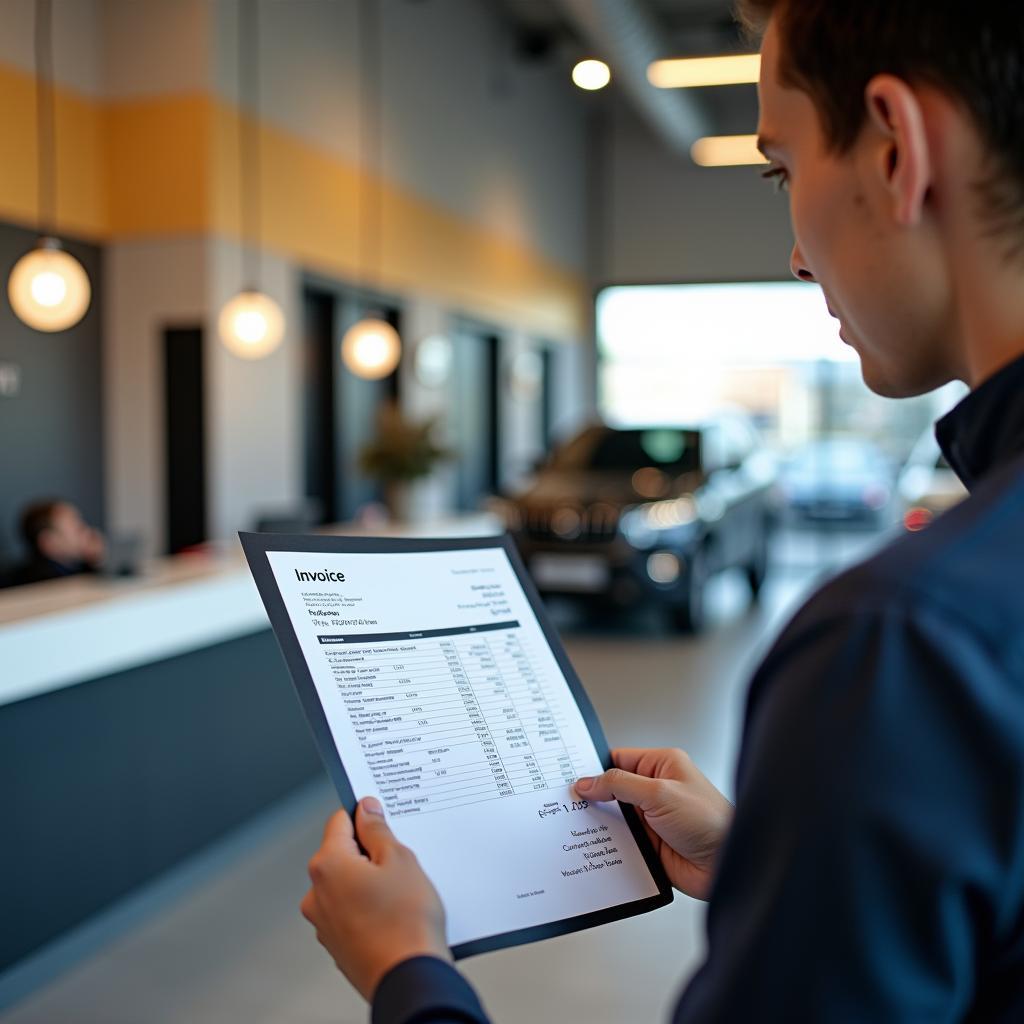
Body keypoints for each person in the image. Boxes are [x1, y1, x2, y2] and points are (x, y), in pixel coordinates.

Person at [299, 1, 1024, 1019]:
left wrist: (407, 969)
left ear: (897, 147)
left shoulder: (900, 646)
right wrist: (782, 862)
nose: (796, 256)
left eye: (782, 168)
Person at [6, 499, 106, 587]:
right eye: (77, 529)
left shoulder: (78, 568)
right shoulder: (38, 584)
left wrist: (94, 561)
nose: (87, 532)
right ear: (49, 543)